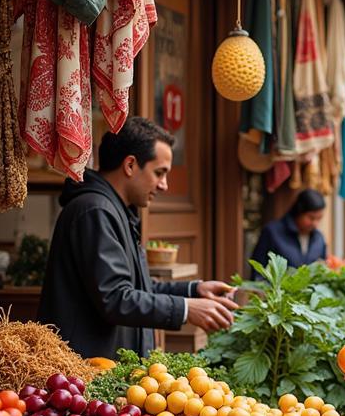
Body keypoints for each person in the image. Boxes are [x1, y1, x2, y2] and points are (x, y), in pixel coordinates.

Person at [39, 118, 237, 357]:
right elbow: (115, 298)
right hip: (84, 377)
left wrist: (194, 290)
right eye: (159, 173)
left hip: (102, 372)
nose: (164, 185)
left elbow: (136, 288)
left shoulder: (114, 210)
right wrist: (186, 310)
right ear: (130, 165)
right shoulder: (95, 211)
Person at [249, 189, 327, 277]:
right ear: (299, 211)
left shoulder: (319, 239)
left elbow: (322, 269)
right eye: (311, 218)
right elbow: (258, 271)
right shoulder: (272, 233)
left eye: (319, 218)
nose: (315, 224)